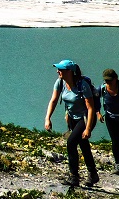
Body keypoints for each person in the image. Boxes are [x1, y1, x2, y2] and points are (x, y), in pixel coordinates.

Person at [45, 59, 99, 187]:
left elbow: (91, 108)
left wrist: (88, 128)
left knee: (71, 143)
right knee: (84, 145)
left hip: (86, 119)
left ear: (70, 72)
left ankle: (74, 177)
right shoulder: (60, 83)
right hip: (72, 118)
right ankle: (93, 174)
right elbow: (53, 101)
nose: (58, 71)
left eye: (61, 69)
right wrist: (48, 118)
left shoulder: (82, 85)